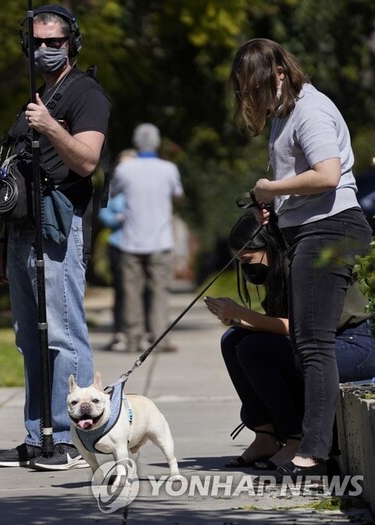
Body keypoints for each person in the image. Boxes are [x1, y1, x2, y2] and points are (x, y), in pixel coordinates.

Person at [230, 38, 373, 480]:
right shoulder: (287, 113)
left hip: (332, 228)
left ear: (278, 73)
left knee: (313, 342)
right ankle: (296, 441)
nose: (250, 97)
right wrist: (277, 205)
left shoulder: (310, 109)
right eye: (243, 89)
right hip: (310, 227)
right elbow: (303, 181)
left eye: (254, 86)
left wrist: (270, 187)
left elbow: (328, 175)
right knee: (306, 341)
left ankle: (312, 451)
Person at [0, 4, 110, 470]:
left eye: (54, 42)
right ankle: (38, 433)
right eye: (37, 42)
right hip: (21, 232)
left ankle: (75, 439)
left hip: (59, 226)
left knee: (62, 333)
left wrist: (51, 126)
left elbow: (86, 161)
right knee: (30, 339)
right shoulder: (36, 100)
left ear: (71, 44)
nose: (44, 50)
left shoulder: (86, 95)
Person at [207, 211, 375, 470]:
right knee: (233, 340)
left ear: (270, 246)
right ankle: (265, 437)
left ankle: (295, 439)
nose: (246, 268)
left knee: (255, 348)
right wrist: (238, 321)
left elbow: (304, 329)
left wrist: (243, 314)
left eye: (248, 260)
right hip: (323, 344)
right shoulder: (281, 268)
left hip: (354, 345)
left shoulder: (303, 263)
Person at [109, 124, 183, 353]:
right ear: (158, 143)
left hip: (130, 241)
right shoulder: (169, 168)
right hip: (160, 240)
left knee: (131, 292)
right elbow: (178, 195)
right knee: (160, 291)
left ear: (135, 144)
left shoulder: (124, 170)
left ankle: (133, 339)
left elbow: (113, 193)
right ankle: (160, 338)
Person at [99, 148, 136, 351]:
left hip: (141, 245)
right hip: (119, 244)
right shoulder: (113, 190)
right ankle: (119, 331)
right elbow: (103, 215)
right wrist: (117, 219)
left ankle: (141, 331)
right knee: (121, 291)